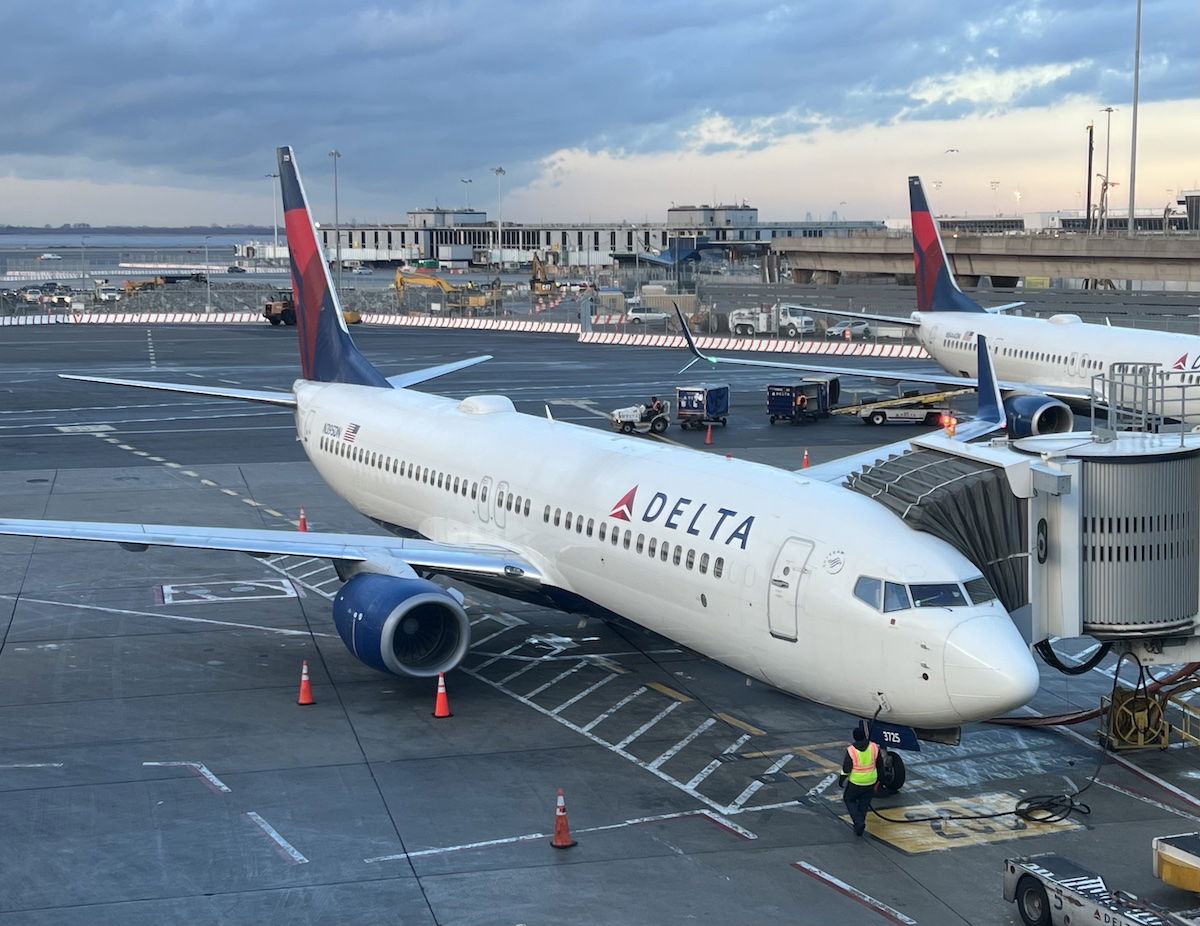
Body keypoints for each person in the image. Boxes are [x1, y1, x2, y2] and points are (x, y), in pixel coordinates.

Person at [839, 725, 881, 837]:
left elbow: (846, 768)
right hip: (871, 781)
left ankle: (859, 822)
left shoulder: (851, 750)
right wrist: (880, 780)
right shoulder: (874, 746)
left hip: (856, 782)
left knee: (849, 799)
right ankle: (859, 828)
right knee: (864, 803)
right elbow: (879, 764)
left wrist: (841, 779)